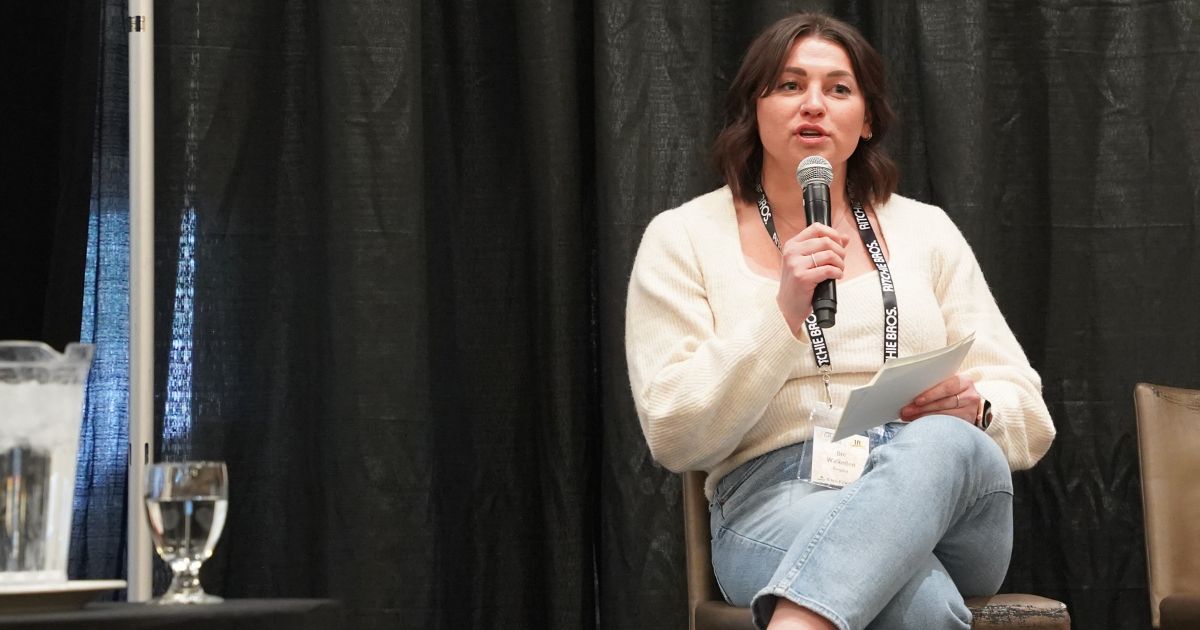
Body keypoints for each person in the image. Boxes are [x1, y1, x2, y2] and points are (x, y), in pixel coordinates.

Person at [624, 12, 1056, 630]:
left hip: (945, 499)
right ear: (755, 107)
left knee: (946, 439)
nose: (814, 105)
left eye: (839, 88)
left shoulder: (926, 231)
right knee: (921, 610)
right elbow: (674, 433)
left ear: (868, 118)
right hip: (776, 499)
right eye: (789, 85)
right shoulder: (684, 238)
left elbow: (1030, 413)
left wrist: (979, 411)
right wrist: (781, 315)